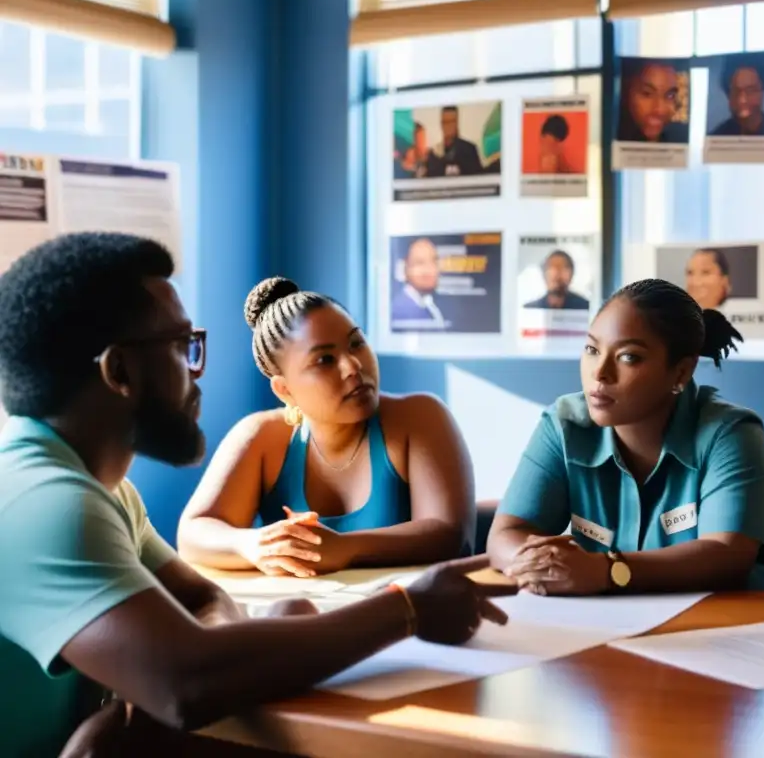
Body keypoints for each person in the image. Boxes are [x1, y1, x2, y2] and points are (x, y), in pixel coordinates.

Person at [0, 232, 506, 756]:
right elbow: (187, 682)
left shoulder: (107, 494)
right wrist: (406, 611)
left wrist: (164, 688)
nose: (197, 372)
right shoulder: (46, 501)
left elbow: (202, 598)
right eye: (182, 347)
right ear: (119, 371)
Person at [488, 278, 764, 595]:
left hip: (728, 628)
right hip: (607, 624)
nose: (600, 373)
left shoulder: (730, 433)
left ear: (681, 372)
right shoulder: (563, 424)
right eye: (591, 349)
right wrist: (539, 563)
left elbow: (727, 555)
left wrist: (607, 570)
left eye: (628, 357)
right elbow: (506, 535)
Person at [178, 276, 475, 576]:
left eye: (357, 343)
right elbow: (192, 534)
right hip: (307, 619)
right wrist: (253, 544)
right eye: (325, 359)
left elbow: (450, 535)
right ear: (285, 390)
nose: (353, 366)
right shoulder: (262, 437)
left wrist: (345, 548)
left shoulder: (420, 417)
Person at [617, 59, 689, 144]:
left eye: (670, 96)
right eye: (647, 93)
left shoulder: (679, 141)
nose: (660, 110)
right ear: (625, 92)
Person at [709, 59, 764, 137]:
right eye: (735, 91)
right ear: (728, 94)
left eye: (750, 90)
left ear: (762, 91)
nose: (742, 100)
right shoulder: (715, 137)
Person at [391, 237, 447, 329]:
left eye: (434, 261)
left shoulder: (433, 304)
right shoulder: (399, 311)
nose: (429, 269)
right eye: (420, 263)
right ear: (405, 268)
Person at [425, 105, 484, 177]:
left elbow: (478, 180)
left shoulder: (469, 150)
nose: (448, 126)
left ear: (456, 123)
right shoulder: (434, 155)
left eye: (451, 122)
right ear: (441, 124)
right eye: (445, 122)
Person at [523, 249, 590, 310]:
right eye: (552, 268)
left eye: (563, 268)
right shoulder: (530, 309)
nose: (557, 274)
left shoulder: (585, 307)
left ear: (572, 274)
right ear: (544, 275)